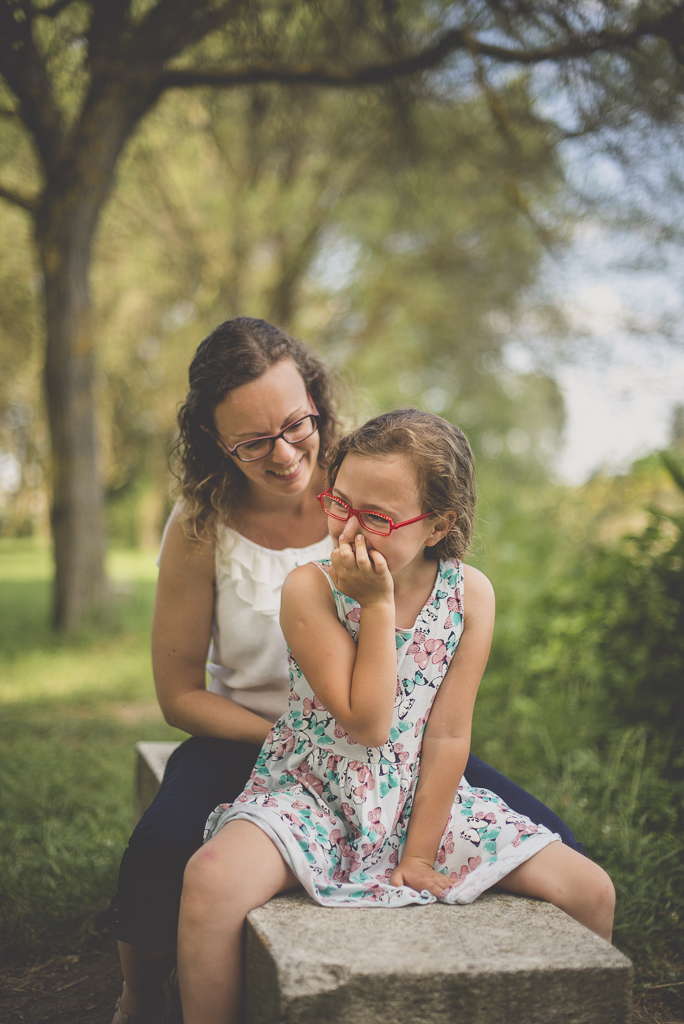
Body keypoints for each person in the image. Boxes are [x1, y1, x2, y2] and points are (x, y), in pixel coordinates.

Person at [110, 319, 586, 1024]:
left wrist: (373, 746)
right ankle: (140, 992)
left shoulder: (371, 484)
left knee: (559, 847)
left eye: (295, 425)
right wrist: (303, 735)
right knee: (163, 849)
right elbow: (180, 696)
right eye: (251, 441)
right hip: (252, 732)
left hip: (393, 730)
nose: (282, 452)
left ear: (318, 402)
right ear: (217, 441)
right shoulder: (199, 523)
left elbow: (419, 699)